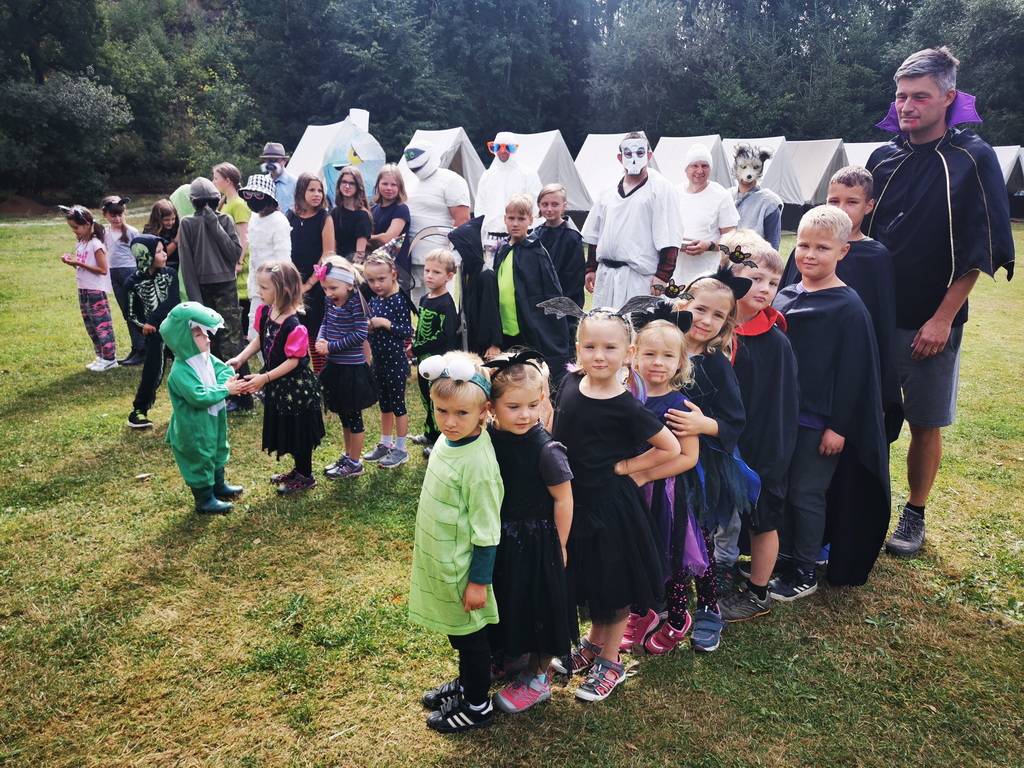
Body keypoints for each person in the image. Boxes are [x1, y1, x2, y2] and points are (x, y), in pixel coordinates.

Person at [865, 46, 1014, 557]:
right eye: (901, 96)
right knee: (865, 415)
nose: (907, 106)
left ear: (949, 97)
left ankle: (915, 512)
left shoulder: (972, 157)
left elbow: (980, 245)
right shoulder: (883, 158)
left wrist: (943, 318)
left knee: (925, 421)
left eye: (920, 97)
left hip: (930, 320)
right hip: (875, 316)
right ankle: (859, 504)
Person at [551, 304, 679, 703]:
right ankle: (592, 644)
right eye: (590, 347)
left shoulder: (625, 405)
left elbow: (671, 447)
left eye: (610, 348)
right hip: (575, 501)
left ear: (628, 353)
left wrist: (627, 467)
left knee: (614, 582)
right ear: (577, 349)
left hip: (610, 508)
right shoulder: (571, 383)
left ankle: (611, 661)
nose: (599, 355)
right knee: (591, 577)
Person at [771, 206, 890, 596]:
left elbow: (856, 374)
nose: (809, 255)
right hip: (784, 418)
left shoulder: (849, 308)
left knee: (806, 493)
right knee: (782, 489)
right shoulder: (785, 295)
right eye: (803, 245)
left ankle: (804, 569)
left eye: (822, 248)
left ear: (843, 251)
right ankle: (782, 557)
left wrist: (838, 426)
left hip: (819, 422)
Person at [663, 269, 757, 650]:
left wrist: (703, 424)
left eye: (718, 315)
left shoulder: (715, 363)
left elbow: (734, 421)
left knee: (698, 537)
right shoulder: (662, 346)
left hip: (700, 469)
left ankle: (708, 606)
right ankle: (668, 606)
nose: (706, 320)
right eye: (700, 309)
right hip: (660, 460)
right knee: (665, 532)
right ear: (683, 305)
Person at [409, 352, 504, 734]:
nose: (449, 422)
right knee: (459, 633)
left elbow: (487, 531)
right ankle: (466, 684)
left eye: (461, 413)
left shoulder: (478, 464)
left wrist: (478, 582)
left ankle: (477, 704)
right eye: (442, 411)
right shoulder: (450, 441)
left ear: (484, 412)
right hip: (442, 561)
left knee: (472, 639)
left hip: (464, 570)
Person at [782, 166, 902, 444]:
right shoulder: (806, 251)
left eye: (851, 202)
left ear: (868, 206)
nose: (841, 209)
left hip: (845, 372)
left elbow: (881, 329)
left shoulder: (875, 258)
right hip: (802, 376)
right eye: (834, 201)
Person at [484, 350, 573, 715]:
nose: (525, 415)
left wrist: (561, 544)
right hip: (503, 537)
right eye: (514, 407)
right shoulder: (489, 439)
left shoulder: (546, 449)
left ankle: (538, 677)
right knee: (510, 599)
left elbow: (564, 498)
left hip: (537, 541)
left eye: (533, 406)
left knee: (540, 606)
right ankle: (511, 656)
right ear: (491, 407)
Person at [716, 234, 799, 623]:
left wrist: (768, 455)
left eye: (773, 282)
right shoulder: (717, 331)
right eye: (755, 279)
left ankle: (758, 592)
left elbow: (778, 406)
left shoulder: (774, 341)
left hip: (764, 445)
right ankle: (720, 569)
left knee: (763, 518)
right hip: (723, 441)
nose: (765, 289)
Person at [619, 315, 700, 655]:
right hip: (630, 491)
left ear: (681, 362)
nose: (658, 362)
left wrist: (644, 475)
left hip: (665, 494)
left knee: (670, 551)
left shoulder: (679, 406)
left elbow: (689, 457)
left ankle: (678, 616)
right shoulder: (626, 397)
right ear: (634, 356)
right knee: (636, 551)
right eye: (650, 354)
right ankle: (642, 611)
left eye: (668, 356)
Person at [227, 261, 325, 495]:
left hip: (296, 388)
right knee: (287, 427)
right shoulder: (266, 312)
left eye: (264, 287)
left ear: (283, 290)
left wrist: (265, 377)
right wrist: (240, 358)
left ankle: (306, 476)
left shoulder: (295, 325)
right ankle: (297, 471)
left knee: (299, 430)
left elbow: (294, 360)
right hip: (278, 385)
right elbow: (260, 339)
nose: (259, 291)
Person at [159, 302, 246, 514]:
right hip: (194, 426)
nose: (207, 338)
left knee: (218, 448)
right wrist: (225, 389)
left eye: (206, 333)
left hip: (213, 417)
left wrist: (225, 382)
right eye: (199, 335)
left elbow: (223, 370)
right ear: (183, 339)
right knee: (201, 456)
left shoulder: (205, 358)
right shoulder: (181, 371)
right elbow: (198, 396)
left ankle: (218, 486)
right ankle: (204, 499)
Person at [581, 132, 683, 308]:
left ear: (649, 155)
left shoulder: (661, 188)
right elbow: (595, 233)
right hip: (606, 277)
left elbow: (670, 236)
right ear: (620, 157)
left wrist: (663, 275)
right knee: (604, 323)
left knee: (636, 324)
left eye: (640, 153)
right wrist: (591, 268)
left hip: (639, 279)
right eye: (628, 153)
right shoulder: (608, 190)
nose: (634, 158)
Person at [176, 177, 251, 412]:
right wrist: (196, 302)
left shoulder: (224, 219)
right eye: (204, 203)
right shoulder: (187, 223)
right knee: (212, 340)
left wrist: (213, 222)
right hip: (203, 288)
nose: (206, 207)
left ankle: (243, 395)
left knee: (232, 341)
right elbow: (187, 264)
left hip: (226, 286)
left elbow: (234, 253)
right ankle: (223, 391)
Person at [487, 194, 573, 383]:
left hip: (529, 326)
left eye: (521, 219)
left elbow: (551, 292)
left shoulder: (536, 252)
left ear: (531, 220)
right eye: (511, 218)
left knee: (530, 375)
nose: (515, 223)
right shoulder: (502, 249)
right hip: (505, 326)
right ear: (505, 219)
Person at [315, 256, 378, 479]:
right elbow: (325, 322)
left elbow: (360, 334)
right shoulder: (330, 301)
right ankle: (348, 454)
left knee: (354, 417)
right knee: (344, 415)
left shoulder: (356, 304)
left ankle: (355, 462)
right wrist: (320, 339)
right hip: (336, 367)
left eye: (333, 288)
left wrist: (331, 346)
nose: (328, 293)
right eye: (325, 288)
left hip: (352, 370)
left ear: (349, 285)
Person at [362, 251, 415, 469]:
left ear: (393, 274)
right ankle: (385, 443)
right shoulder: (375, 300)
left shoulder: (399, 300)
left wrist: (385, 323)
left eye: (381, 279)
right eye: (371, 280)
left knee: (397, 405)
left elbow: (407, 331)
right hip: (380, 361)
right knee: (384, 404)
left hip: (395, 361)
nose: (376, 285)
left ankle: (401, 449)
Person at [403, 139, 471, 303]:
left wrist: (453, 257)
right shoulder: (410, 182)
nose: (416, 170)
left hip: (440, 260)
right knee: (418, 306)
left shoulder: (452, 180)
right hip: (413, 258)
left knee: (441, 307)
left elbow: (463, 220)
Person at [125, 235, 180, 429]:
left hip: (176, 330)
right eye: (158, 251)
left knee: (191, 365)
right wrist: (143, 326)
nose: (164, 254)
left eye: (163, 250)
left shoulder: (170, 274)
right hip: (154, 335)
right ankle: (139, 410)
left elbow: (173, 301)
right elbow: (131, 313)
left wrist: (152, 320)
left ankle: (199, 401)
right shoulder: (132, 283)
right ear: (145, 256)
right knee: (153, 370)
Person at [410, 248, 460, 457]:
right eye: (427, 270)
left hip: (437, 361)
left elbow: (444, 336)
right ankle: (429, 433)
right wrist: (414, 345)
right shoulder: (424, 299)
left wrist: (417, 347)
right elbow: (421, 327)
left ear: (449, 276)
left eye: (436, 272)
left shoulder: (446, 304)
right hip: (422, 358)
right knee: (425, 397)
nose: (429, 275)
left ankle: (441, 439)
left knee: (437, 400)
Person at [673, 143, 739, 287]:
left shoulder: (721, 195)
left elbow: (731, 240)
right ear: (686, 169)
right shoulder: (674, 193)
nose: (700, 170)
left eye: (705, 166)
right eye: (694, 166)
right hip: (675, 272)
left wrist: (708, 245)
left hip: (706, 274)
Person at [289, 173, 336, 374]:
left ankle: (321, 375)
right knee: (296, 330)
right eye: (311, 190)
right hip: (293, 283)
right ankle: (300, 374)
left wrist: (308, 284)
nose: (317, 194)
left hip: (317, 282)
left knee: (317, 332)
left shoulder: (325, 218)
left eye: (320, 190)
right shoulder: (290, 216)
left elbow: (327, 254)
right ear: (301, 191)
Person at [61, 205, 117, 371]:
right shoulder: (81, 243)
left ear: (87, 224)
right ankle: (100, 356)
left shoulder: (95, 244)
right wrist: (72, 263)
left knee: (101, 325)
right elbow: (84, 266)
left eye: (76, 227)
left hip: (95, 291)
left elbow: (103, 269)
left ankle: (110, 358)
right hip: (83, 289)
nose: (74, 231)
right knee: (91, 326)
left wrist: (78, 262)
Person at [240, 174, 292, 342]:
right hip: (257, 284)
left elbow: (283, 258)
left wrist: (281, 289)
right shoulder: (254, 217)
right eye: (249, 195)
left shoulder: (279, 221)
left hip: (275, 285)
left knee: (273, 333)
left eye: (258, 195)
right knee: (254, 331)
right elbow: (253, 254)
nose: (252, 199)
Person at [474, 131, 542, 256]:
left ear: (515, 148)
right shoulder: (487, 176)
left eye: (508, 147)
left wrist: (528, 233)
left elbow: (536, 207)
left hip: (521, 237)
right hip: (491, 237)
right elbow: (480, 208)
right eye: (497, 147)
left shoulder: (528, 174)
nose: (503, 151)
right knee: (492, 269)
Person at [535, 184, 585, 333]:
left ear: (564, 206)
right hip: (540, 302)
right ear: (539, 205)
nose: (549, 209)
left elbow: (574, 278)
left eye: (555, 204)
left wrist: (561, 306)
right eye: (545, 204)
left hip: (564, 306)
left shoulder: (572, 237)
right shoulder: (536, 235)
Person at [101, 195, 144, 365]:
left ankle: (143, 349)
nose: (117, 219)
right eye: (113, 215)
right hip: (114, 274)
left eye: (120, 215)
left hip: (129, 272)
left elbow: (140, 255)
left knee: (135, 311)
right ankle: (136, 347)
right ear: (105, 215)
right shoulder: (104, 232)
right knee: (127, 312)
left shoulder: (132, 232)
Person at [731, 145, 783, 249]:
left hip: (756, 257)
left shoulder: (769, 202)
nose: (748, 173)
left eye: (755, 167)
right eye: (743, 167)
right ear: (736, 167)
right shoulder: (727, 196)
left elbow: (773, 243)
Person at [369, 164, 413, 283]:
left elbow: (387, 238)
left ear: (400, 187)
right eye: (385, 184)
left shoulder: (401, 209)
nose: (389, 188)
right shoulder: (372, 210)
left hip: (397, 269)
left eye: (394, 185)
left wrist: (366, 238)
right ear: (378, 185)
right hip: (376, 268)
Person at [330, 167, 373, 264]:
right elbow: (332, 246)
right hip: (335, 262)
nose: (347, 186)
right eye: (344, 182)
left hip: (353, 265)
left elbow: (360, 254)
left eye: (352, 183)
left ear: (358, 187)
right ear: (339, 184)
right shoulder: (335, 212)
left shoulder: (362, 215)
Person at [213, 162, 251, 270]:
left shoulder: (239, 204)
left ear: (228, 181)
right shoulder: (224, 203)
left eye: (216, 178)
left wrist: (239, 262)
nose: (213, 182)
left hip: (238, 266)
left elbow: (244, 237)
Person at [259, 142, 298, 215]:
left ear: (284, 161)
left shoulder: (296, 183)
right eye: (268, 160)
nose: (271, 164)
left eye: (275, 160)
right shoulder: (261, 182)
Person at [143, 199, 179, 267]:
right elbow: (159, 255)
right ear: (157, 219)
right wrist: (176, 241)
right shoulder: (149, 233)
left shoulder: (177, 227)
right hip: (161, 267)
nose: (170, 223)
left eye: (173, 219)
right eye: (166, 220)